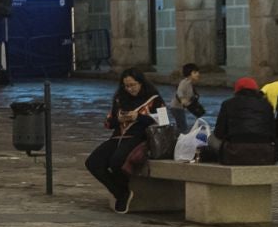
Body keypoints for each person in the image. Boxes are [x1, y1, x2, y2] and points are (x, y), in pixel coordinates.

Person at [85, 68, 161, 213]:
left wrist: (138, 117)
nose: (130, 89)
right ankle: (120, 192)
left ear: (141, 83)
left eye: (133, 85)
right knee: (93, 162)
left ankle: (122, 192)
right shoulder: (120, 98)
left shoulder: (154, 99)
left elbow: (162, 122)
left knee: (116, 161)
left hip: (139, 137)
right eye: (126, 86)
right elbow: (108, 122)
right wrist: (118, 119)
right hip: (118, 136)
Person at [213, 76, 278, 165]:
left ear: (237, 90)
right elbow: (273, 132)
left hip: (234, 152)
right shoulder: (267, 105)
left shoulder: (228, 104)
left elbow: (219, 133)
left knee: (211, 139)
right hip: (265, 154)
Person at [172, 63, 205, 133]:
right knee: (183, 127)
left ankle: (177, 137)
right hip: (176, 108)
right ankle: (177, 139)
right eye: (195, 72)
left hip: (179, 108)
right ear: (189, 74)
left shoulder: (190, 83)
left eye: (198, 72)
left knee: (181, 126)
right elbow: (179, 91)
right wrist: (182, 99)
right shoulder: (185, 82)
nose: (198, 74)